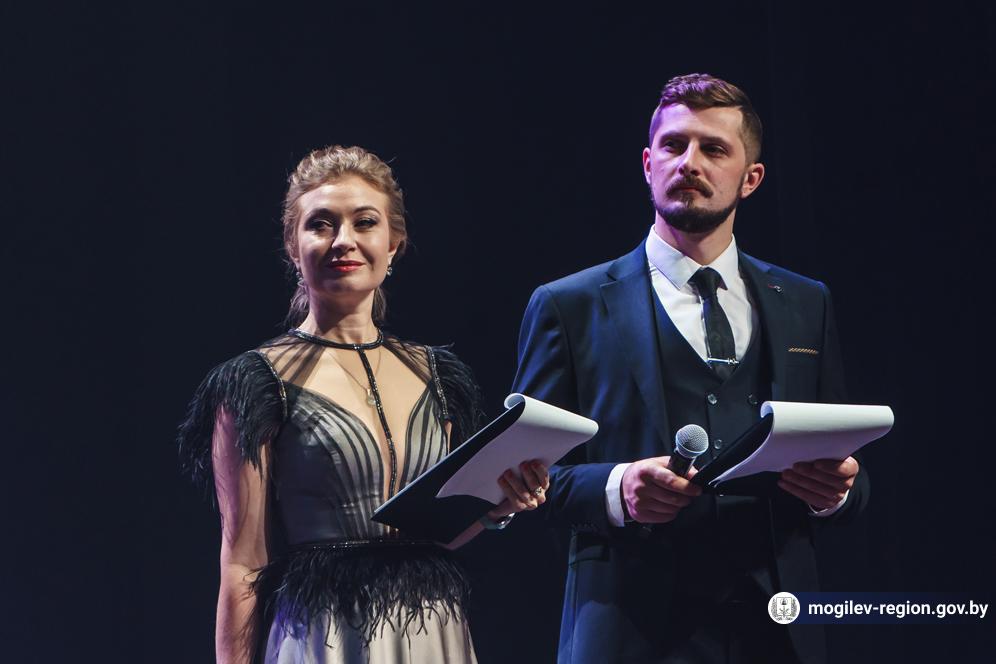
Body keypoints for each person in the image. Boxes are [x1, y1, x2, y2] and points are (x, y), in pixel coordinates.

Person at [511, 74, 869, 664]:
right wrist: (616, 488)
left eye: (714, 149)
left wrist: (837, 493)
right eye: (674, 145)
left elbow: (845, 463)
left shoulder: (807, 303)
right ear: (648, 163)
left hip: (775, 631)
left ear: (751, 178)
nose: (690, 163)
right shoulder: (569, 305)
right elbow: (521, 479)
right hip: (632, 631)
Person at [178, 145, 550, 664]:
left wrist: (498, 508)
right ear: (293, 246)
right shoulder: (255, 382)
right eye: (321, 224)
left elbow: (437, 534)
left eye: (365, 222)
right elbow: (242, 564)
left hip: (430, 629)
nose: (343, 240)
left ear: (393, 243)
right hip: (323, 635)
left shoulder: (439, 375)